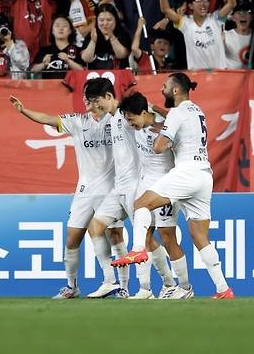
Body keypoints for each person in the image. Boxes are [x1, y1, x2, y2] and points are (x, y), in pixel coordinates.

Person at [111, 72, 234, 300]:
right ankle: (223, 289)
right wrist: (160, 113)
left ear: (176, 90)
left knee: (141, 204)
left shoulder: (177, 113)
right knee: (199, 235)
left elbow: (158, 147)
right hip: (205, 175)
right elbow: (179, 125)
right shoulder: (197, 110)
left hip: (186, 172)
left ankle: (138, 249)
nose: (162, 89)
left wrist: (164, 134)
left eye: (165, 86)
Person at [9, 94, 126, 299]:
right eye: (84, 99)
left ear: (101, 99)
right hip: (85, 190)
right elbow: (48, 118)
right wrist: (23, 110)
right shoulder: (78, 121)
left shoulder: (117, 120)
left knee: (115, 236)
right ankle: (72, 287)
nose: (85, 103)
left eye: (89, 99)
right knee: (72, 239)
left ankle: (122, 286)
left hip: (111, 189)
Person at [84, 77, 168, 299]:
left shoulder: (128, 113)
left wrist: (161, 116)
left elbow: (155, 118)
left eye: (96, 101)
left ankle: (149, 288)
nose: (94, 107)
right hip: (117, 188)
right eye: (91, 102)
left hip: (136, 186)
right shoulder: (110, 120)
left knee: (145, 240)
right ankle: (111, 282)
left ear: (109, 97)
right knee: (95, 226)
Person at [119, 92, 193, 300]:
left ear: (144, 113)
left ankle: (185, 287)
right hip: (146, 183)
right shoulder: (138, 123)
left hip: (167, 184)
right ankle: (148, 288)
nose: (130, 123)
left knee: (168, 237)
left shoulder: (166, 127)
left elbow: (182, 127)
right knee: (145, 235)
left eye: (132, 119)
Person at [160, 0, 236, 70]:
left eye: (206, 0)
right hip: (196, 75)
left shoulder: (216, 19)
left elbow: (231, 4)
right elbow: (166, 10)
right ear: (191, 6)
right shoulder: (185, 23)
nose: (203, 4)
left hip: (219, 73)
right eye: (198, 0)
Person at [31, 15, 83, 79]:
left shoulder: (77, 50)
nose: (61, 28)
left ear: (70, 31)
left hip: (72, 87)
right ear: (52, 31)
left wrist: (68, 61)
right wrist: (44, 64)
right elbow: (33, 71)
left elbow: (83, 71)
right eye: (57, 26)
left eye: (65, 26)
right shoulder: (44, 50)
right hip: (49, 87)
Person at [81, 4, 131, 70]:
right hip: (95, 77)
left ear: (115, 20)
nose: (105, 23)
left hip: (119, 76)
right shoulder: (92, 35)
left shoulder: (123, 34)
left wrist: (112, 37)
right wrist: (93, 41)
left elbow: (122, 55)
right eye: (101, 20)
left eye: (109, 20)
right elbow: (86, 59)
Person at [224, 0, 252, 69]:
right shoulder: (225, 36)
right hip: (231, 77)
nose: (243, 15)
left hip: (252, 78)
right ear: (232, 18)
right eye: (239, 12)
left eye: (247, 12)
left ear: (252, 17)